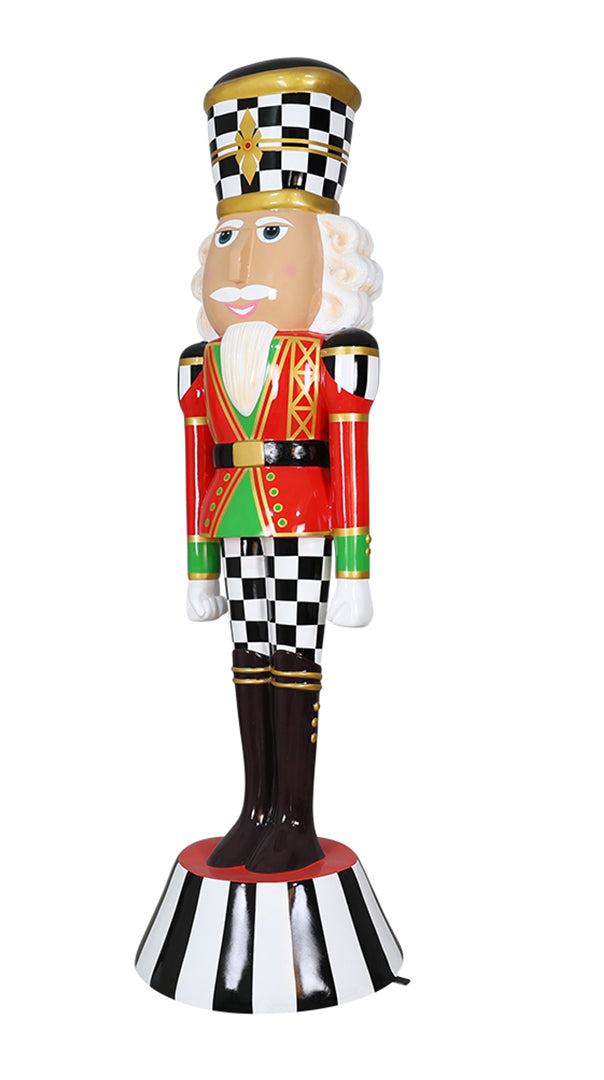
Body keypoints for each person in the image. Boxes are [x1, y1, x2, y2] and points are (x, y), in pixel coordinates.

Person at [178, 59, 382, 874]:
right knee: (247, 656)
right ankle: (255, 805)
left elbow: (352, 458)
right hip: (232, 519)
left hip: (304, 524)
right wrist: (198, 565)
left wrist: (355, 568)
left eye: (270, 238)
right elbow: (195, 465)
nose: (239, 270)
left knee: (293, 656)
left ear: (330, 260)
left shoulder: (338, 359)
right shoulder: (200, 364)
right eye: (228, 240)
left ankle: (295, 815)